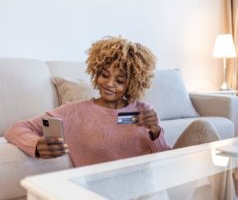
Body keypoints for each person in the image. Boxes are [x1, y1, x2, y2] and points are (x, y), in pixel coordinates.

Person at [4, 36, 220, 168]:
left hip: (151, 182)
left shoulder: (144, 111)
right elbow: (17, 128)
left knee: (203, 128)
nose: (109, 84)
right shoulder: (73, 112)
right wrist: (37, 145)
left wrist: (155, 132)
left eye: (120, 80)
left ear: (132, 83)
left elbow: (163, 159)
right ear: (96, 72)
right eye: (104, 75)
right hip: (108, 190)